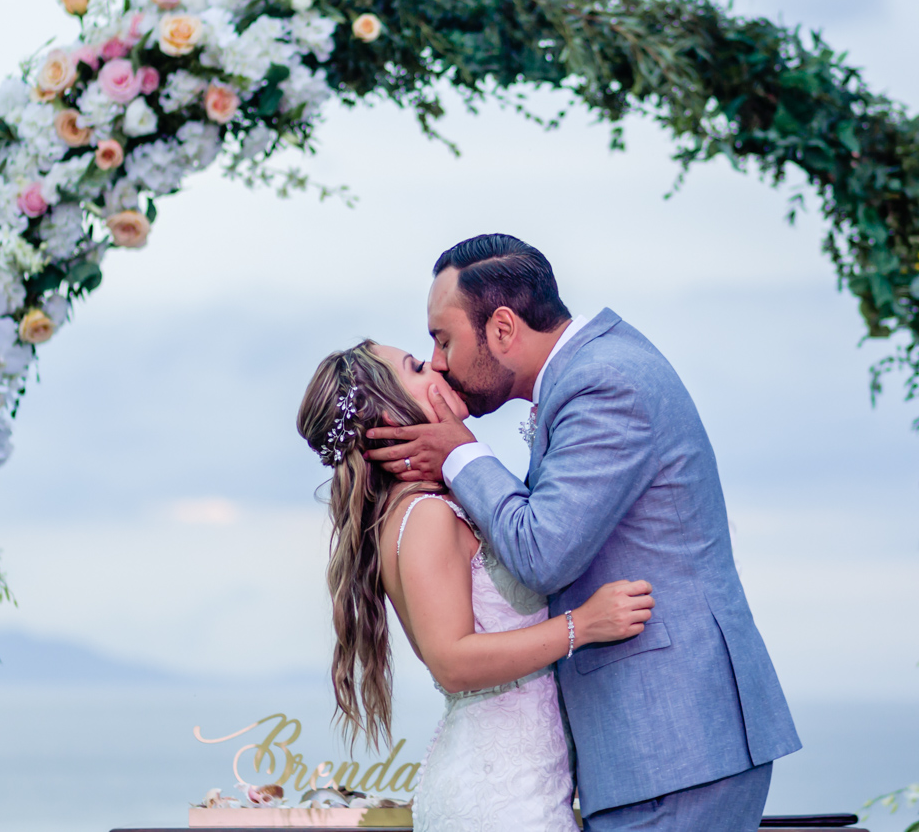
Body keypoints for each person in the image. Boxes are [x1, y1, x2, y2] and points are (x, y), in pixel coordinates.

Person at [364, 234, 801, 832]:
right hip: (650, 754)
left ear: (502, 328)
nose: (437, 361)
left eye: (443, 340)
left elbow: (543, 552)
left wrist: (462, 457)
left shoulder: (604, 383)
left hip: (674, 745)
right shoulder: (591, 374)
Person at [298, 340, 656, 831]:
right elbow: (452, 661)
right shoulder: (424, 516)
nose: (437, 367)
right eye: (418, 367)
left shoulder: (429, 508)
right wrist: (584, 625)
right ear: (388, 416)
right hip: (501, 798)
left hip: (518, 782)